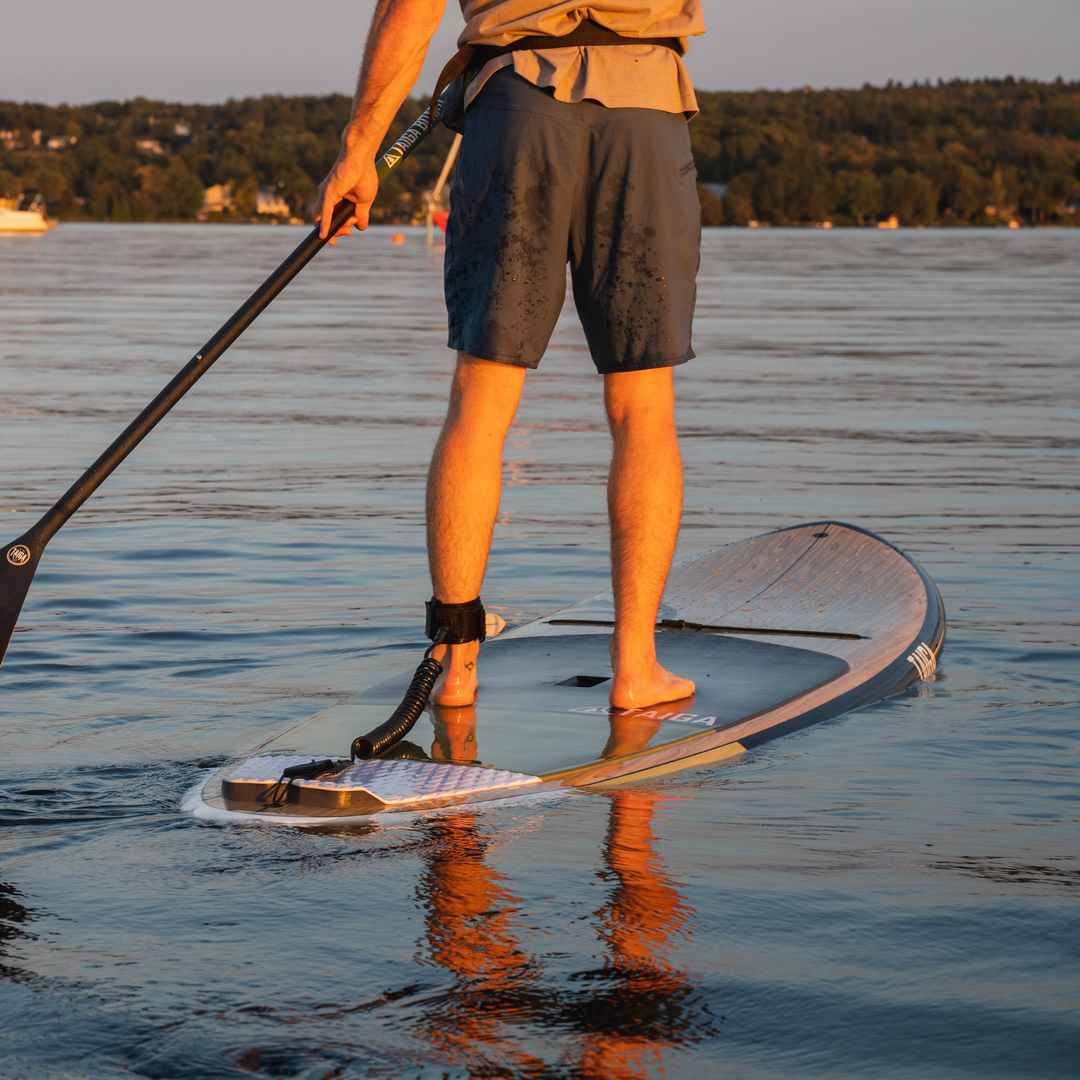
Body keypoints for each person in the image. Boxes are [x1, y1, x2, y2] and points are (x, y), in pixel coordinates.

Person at [315, 0, 705, 711]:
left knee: (481, 399)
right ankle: (635, 669)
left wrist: (360, 150)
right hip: (646, 102)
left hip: (516, 102)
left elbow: (413, 7)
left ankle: (455, 667)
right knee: (642, 405)